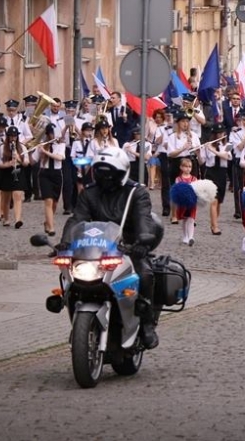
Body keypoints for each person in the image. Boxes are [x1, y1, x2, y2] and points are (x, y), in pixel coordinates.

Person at [61, 148, 163, 349]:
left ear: (121, 172)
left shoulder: (136, 193)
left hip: (128, 248)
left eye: (110, 174)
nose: (105, 178)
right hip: (95, 249)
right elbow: (77, 218)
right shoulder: (89, 193)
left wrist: (143, 242)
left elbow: (143, 219)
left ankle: (147, 324)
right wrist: (65, 243)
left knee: (145, 274)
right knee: (69, 274)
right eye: (101, 173)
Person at [33, 123, 66, 236]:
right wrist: (33, 150)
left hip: (56, 174)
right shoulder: (42, 145)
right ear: (47, 134)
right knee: (48, 201)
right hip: (44, 174)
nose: (54, 136)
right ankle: (51, 227)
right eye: (52, 134)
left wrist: (45, 152)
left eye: (55, 133)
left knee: (55, 203)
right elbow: (33, 161)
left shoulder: (61, 145)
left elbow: (60, 157)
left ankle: (47, 222)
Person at [200, 124, 232, 236]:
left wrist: (213, 150)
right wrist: (199, 152)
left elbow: (226, 157)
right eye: (217, 133)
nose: (220, 135)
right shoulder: (208, 145)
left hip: (222, 174)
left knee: (219, 202)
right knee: (214, 201)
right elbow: (201, 162)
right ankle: (215, 226)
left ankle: (214, 222)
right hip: (211, 173)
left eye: (221, 133)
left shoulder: (228, 145)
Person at [0, 126, 29, 229]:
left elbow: (26, 162)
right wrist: (8, 164)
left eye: (15, 136)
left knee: (17, 195)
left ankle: (18, 219)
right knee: (6, 198)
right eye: (11, 136)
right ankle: (6, 218)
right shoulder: (2, 147)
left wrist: (19, 159)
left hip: (18, 171)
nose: (13, 138)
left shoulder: (22, 147)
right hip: (6, 172)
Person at [173, 157, 198, 246]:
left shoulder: (194, 178)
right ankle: (185, 236)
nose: (188, 169)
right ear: (181, 167)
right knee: (184, 219)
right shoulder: (178, 179)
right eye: (186, 167)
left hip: (192, 202)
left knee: (191, 219)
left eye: (190, 167)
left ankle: (191, 237)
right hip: (183, 203)